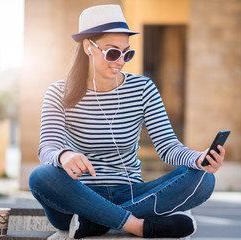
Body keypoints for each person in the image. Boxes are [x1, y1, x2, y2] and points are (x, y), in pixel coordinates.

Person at [29, 4, 225, 239]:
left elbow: (168, 147)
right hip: (79, 195)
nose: (120, 61)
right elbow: (47, 149)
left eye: (127, 53)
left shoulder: (143, 88)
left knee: (203, 178)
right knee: (41, 176)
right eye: (113, 52)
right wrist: (64, 156)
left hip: (131, 192)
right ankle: (138, 226)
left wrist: (198, 158)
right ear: (88, 47)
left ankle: (95, 224)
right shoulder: (59, 92)